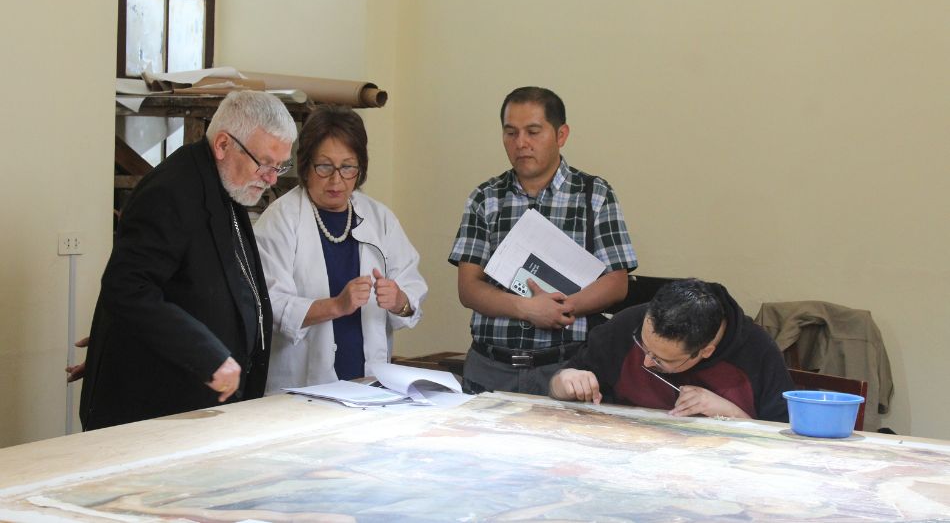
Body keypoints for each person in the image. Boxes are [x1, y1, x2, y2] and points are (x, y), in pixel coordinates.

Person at [79, 91, 297, 430]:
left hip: (201, 402)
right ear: (224, 144)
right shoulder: (171, 191)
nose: (272, 178)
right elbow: (126, 287)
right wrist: (208, 355)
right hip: (156, 410)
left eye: (279, 166)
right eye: (266, 163)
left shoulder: (226, 183)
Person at [448, 86, 637, 395]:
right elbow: (469, 288)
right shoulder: (485, 197)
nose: (521, 143)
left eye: (533, 132)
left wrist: (561, 308)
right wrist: (527, 309)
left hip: (567, 367)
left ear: (561, 135)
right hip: (491, 367)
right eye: (511, 133)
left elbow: (617, 282)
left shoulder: (594, 194)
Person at [254, 104, 427, 392]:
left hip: (370, 387)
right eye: (324, 167)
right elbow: (267, 305)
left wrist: (400, 301)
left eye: (347, 167)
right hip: (300, 388)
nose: (336, 180)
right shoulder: (280, 219)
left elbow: (412, 292)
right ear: (305, 165)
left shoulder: (379, 217)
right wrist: (335, 306)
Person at [549, 278, 794, 422]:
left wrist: (730, 413)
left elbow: (782, 441)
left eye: (660, 359)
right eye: (642, 346)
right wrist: (565, 381)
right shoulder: (628, 323)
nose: (645, 362)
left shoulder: (757, 350)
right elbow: (560, 384)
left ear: (705, 351)